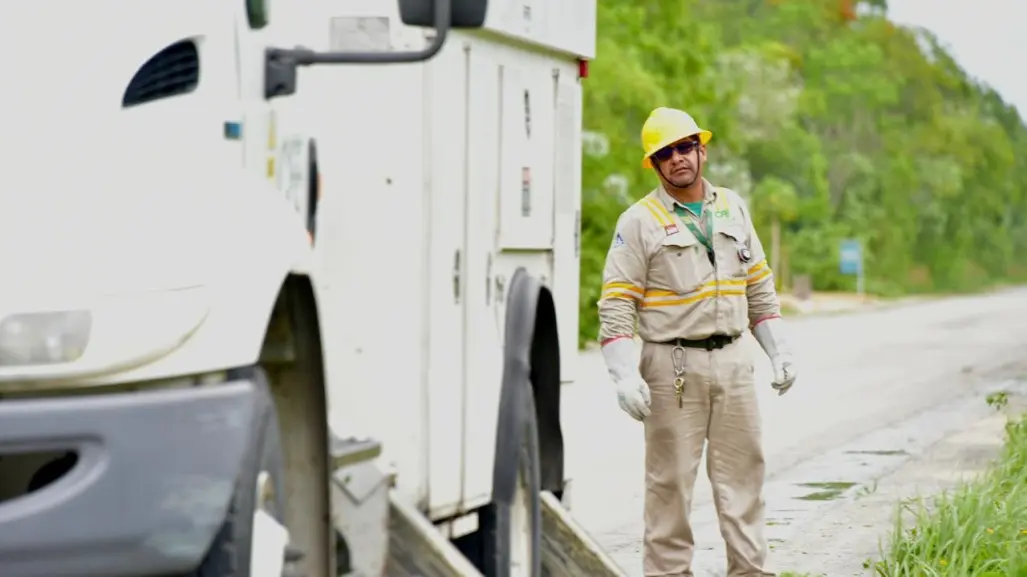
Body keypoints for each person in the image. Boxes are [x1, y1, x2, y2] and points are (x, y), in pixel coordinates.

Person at [597, 106, 798, 577]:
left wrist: (779, 349)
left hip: (733, 361)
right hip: (673, 367)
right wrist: (624, 375)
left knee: (744, 480)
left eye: (685, 147)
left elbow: (759, 285)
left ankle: (750, 572)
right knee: (669, 487)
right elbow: (617, 303)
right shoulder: (638, 221)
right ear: (655, 164)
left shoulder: (732, 206)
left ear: (701, 150)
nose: (677, 159)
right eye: (665, 153)